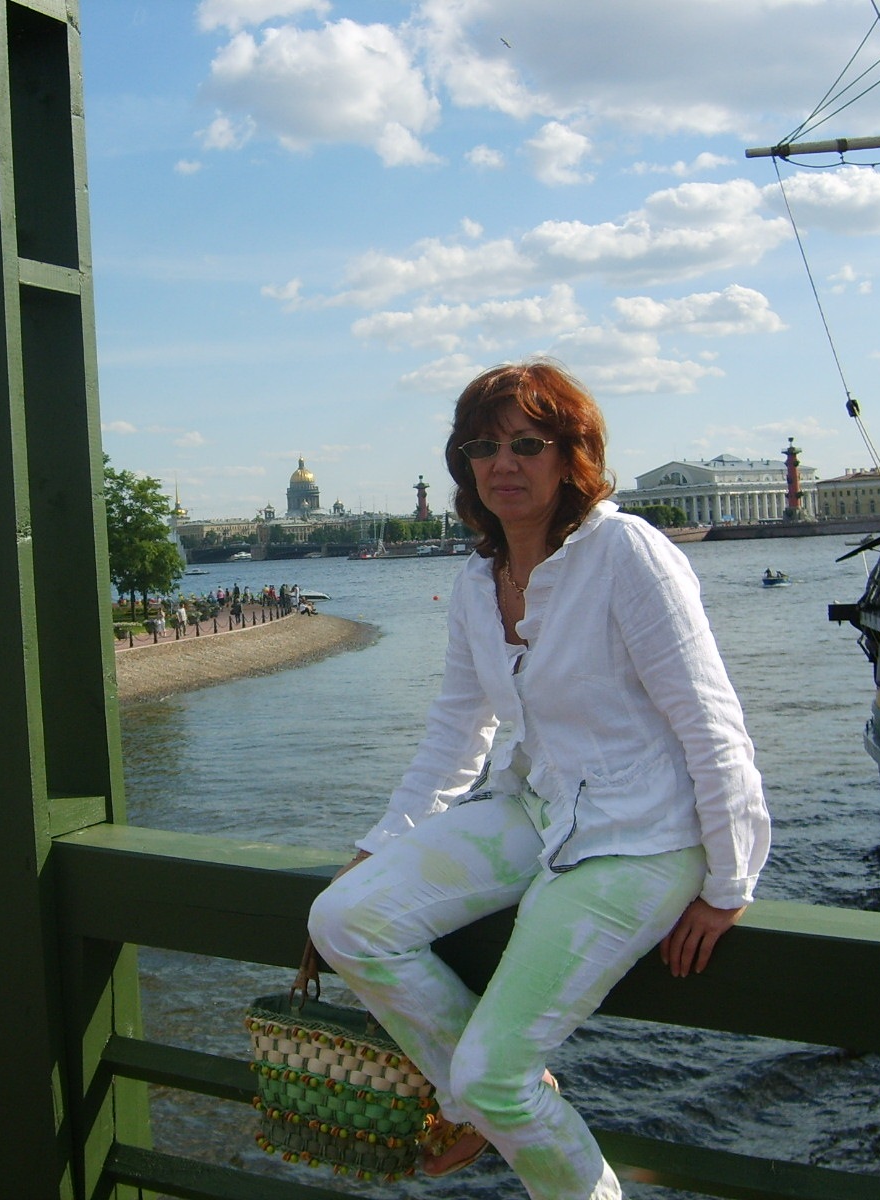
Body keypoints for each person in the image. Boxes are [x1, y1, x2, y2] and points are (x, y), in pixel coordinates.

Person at [308, 359, 770, 1197]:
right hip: (536, 807)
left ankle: (486, 1097)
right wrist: (379, 846)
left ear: (571, 456)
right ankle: (475, 1099)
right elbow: (457, 732)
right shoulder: (476, 580)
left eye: (528, 444)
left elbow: (711, 723)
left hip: (639, 836)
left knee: (496, 1074)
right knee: (345, 919)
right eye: (483, 447)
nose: (503, 464)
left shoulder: (626, 553)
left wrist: (729, 882)